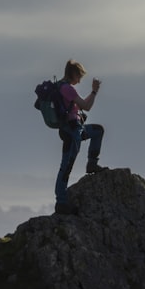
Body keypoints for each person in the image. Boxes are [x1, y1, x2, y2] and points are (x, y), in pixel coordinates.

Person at [54, 59, 107, 215]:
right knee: (66, 168)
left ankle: (92, 164)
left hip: (73, 129)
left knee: (98, 130)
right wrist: (94, 91)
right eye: (79, 75)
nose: (80, 79)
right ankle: (61, 203)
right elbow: (86, 106)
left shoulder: (61, 87)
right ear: (73, 73)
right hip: (72, 133)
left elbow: (82, 107)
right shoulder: (67, 89)